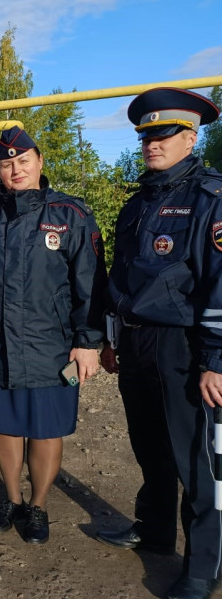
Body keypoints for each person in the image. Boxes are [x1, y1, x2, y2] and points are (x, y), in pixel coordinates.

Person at [0, 127, 106, 544]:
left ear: (39, 161)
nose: (14, 169)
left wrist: (88, 342)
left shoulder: (71, 214)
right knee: (3, 425)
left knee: (45, 429)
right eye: (5, 164)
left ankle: (38, 505)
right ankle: (11, 498)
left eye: (22, 161)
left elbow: (91, 284)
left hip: (49, 346)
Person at [96, 87, 222, 599]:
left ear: (190, 138)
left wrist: (216, 359)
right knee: (149, 447)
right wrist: (110, 337)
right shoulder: (137, 203)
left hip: (185, 347)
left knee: (197, 459)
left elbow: (219, 279)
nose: (153, 143)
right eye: (146, 134)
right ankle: (153, 531)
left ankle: (202, 567)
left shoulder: (211, 198)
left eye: (164, 134)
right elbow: (120, 277)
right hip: (136, 343)